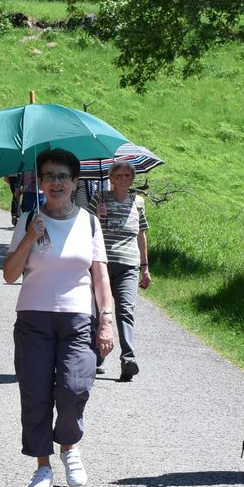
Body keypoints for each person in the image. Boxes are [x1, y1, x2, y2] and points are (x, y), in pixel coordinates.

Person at [2, 149, 115, 487]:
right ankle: (42, 466)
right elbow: (9, 275)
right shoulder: (29, 220)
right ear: (42, 182)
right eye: (49, 176)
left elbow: (100, 277)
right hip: (34, 318)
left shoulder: (89, 222)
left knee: (74, 388)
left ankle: (69, 446)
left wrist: (106, 319)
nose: (56, 182)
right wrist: (28, 238)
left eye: (63, 176)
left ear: (75, 182)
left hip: (78, 319)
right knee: (35, 393)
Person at [91, 160, 152, 381]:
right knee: (99, 311)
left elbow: (141, 235)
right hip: (102, 263)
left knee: (126, 310)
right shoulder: (99, 198)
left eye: (128, 176)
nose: (124, 179)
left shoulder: (139, 202)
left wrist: (145, 268)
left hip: (129, 264)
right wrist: (96, 216)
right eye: (119, 175)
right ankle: (98, 355)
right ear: (111, 178)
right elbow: (85, 229)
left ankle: (128, 359)